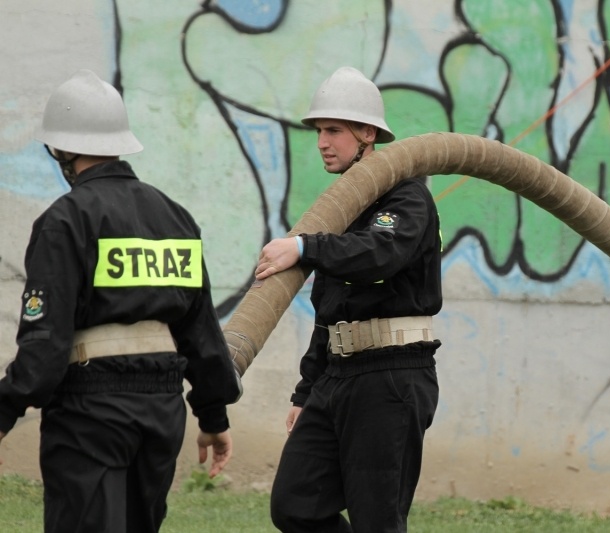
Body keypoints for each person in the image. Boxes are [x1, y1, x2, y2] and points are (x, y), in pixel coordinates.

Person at [0, 69, 240, 533]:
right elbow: (201, 331)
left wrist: (6, 406)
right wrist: (212, 415)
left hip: (90, 409)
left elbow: (46, 342)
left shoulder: (65, 220)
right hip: (162, 411)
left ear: (61, 149)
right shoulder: (175, 217)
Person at [255, 66, 443, 532]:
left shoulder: (407, 197)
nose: (322, 141)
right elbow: (331, 310)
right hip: (336, 377)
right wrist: (306, 390)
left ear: (367, 133)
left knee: (377, 521)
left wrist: (304, 246)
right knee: (295, 506)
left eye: (334, 130)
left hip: (392, 376)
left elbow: (380, 254)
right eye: (320, 131)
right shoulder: (344, 205)